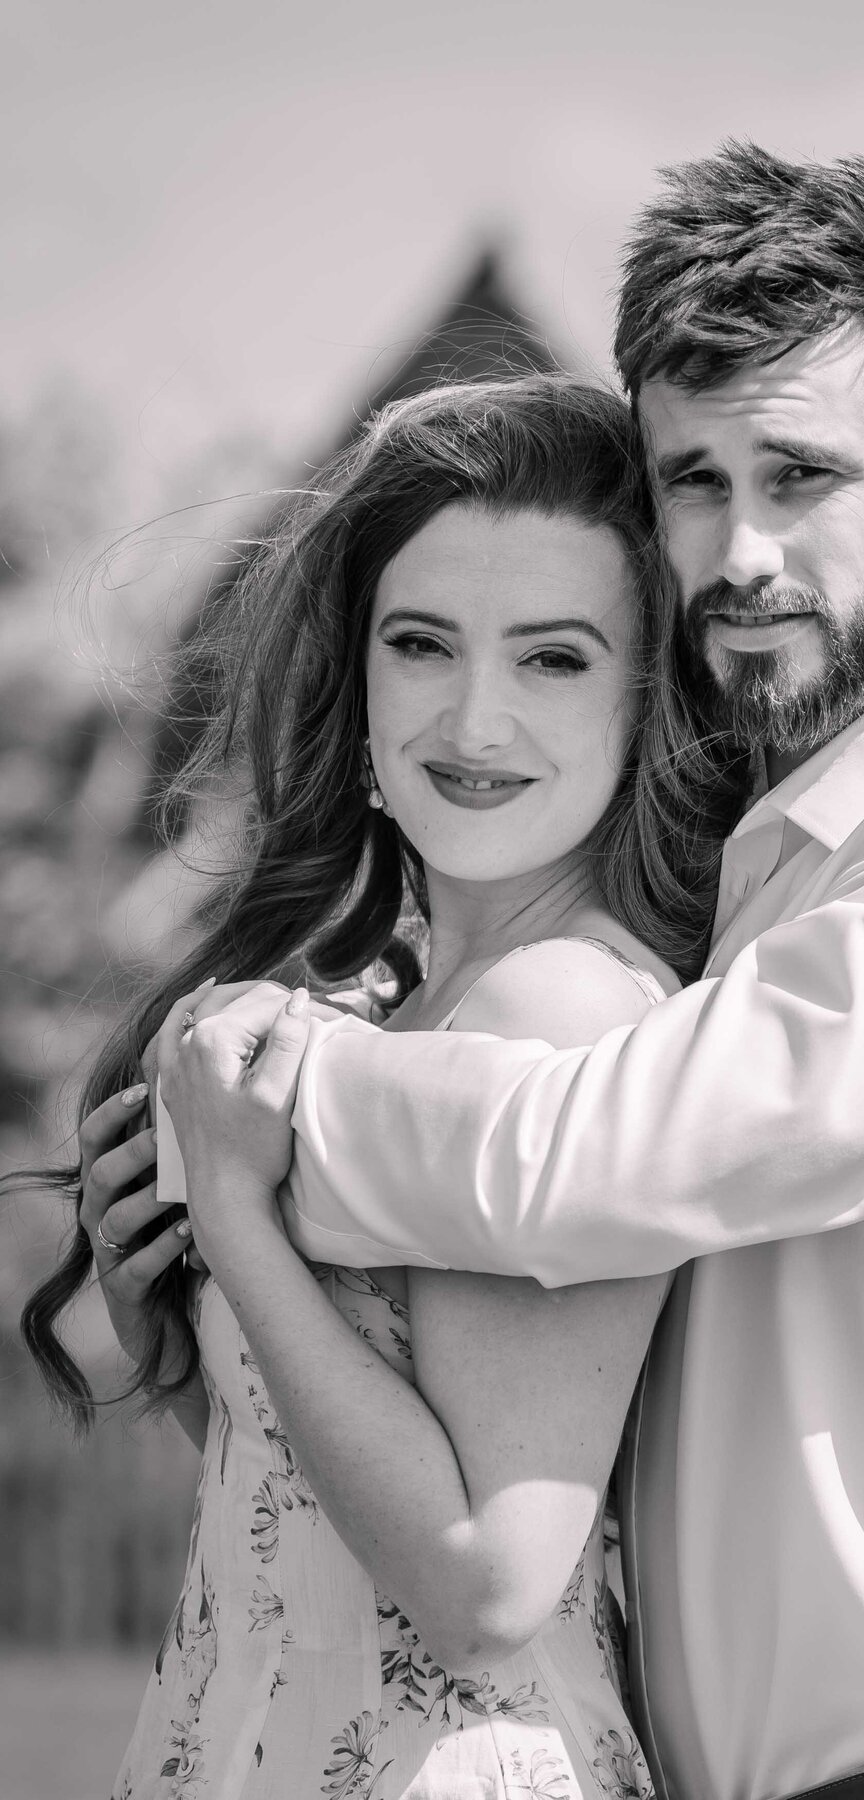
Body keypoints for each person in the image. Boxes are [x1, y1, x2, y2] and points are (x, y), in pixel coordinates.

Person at [171, 147, 864, 1800]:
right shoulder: (785, 852)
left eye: (801, 474)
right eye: (693, 479)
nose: (741, 548)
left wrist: (254, 1110)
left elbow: (578, 1161)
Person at [19, 375, 749, 1799]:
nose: (476, 720)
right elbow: (327, 1502)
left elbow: (486, 1584)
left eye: (554, 660)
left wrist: (234, 1214)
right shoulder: (415, 1012)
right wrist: (169, 1331)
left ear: (645, 704)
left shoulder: (560, 1014)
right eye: (423, 645)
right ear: (357, 686)